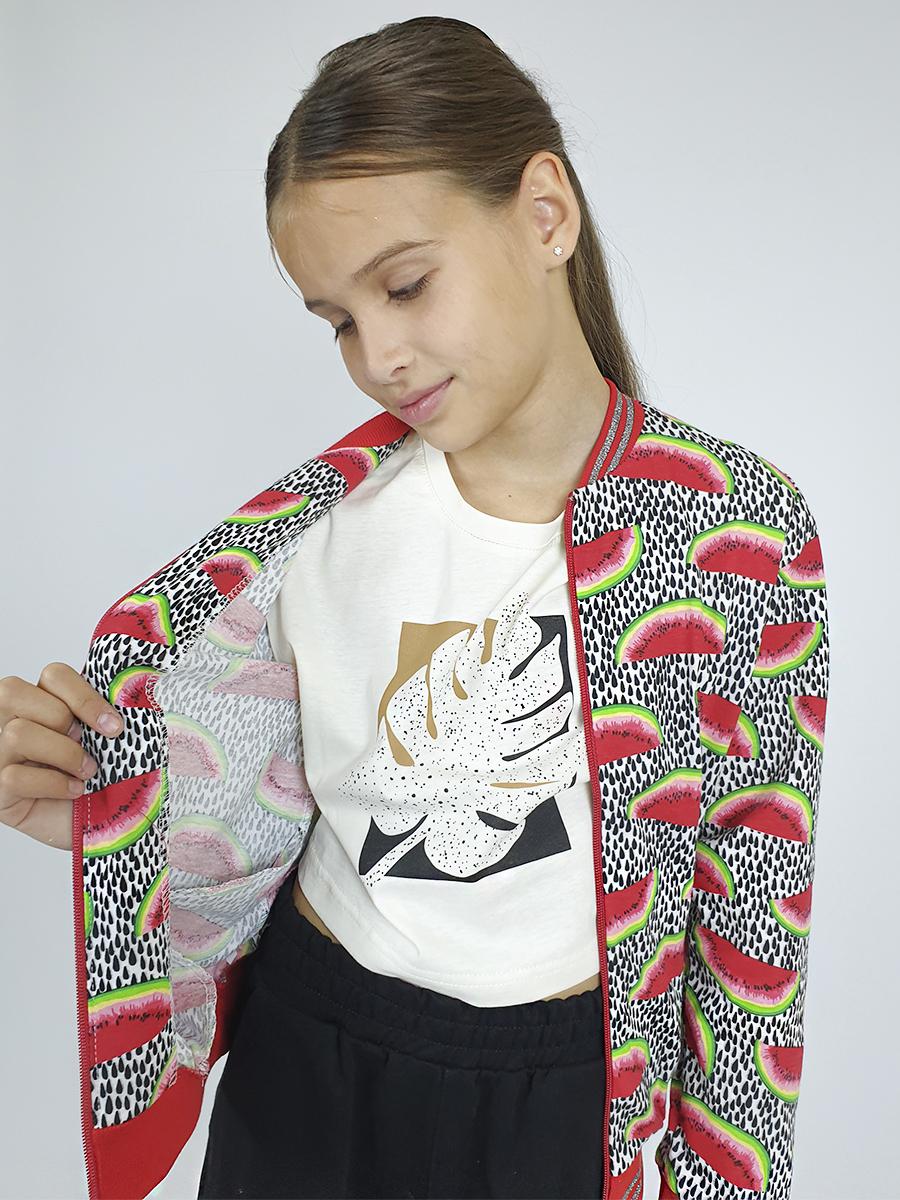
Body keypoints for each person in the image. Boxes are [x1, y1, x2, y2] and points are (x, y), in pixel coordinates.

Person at [0, 16, 829, 1200]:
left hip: (558, 1101)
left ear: (545, 214)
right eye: (339, 319)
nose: (378, 354)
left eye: (404, 285)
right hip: (311, 1056)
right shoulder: (309, 543)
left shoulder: (738, 536)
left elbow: (757, 912)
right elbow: (244, 810)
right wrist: (92, 812)